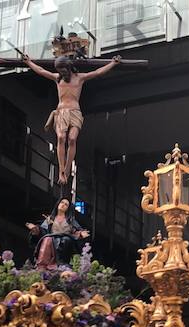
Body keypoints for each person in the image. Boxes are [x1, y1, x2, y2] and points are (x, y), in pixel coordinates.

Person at [21, 53, 122, 184]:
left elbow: (97, 72)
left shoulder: (79, 78)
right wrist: (29, 62)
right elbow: (41, 71)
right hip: (61, 112)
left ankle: (67, 170)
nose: (60, 72)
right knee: (61, 138)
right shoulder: (57, 78)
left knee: (72, 139)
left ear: (67, 67)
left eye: (62, 69)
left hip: (75, 112)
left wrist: (113, 64)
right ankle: (61, 171)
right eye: (58, 69)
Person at [27, 198, 89, 270]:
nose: (63, 205)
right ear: (58, 204)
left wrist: (80, 234)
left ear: (68, 209)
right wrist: (35, 229)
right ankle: (42, 265)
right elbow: (43, 231)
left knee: (65, 240)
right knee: (47, 239)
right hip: (51, 240)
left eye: (66, 204)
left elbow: (75, 232)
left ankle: (60, 263)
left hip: (65, 242)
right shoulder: (50, 219)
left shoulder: (70, 221)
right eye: (62, 202)